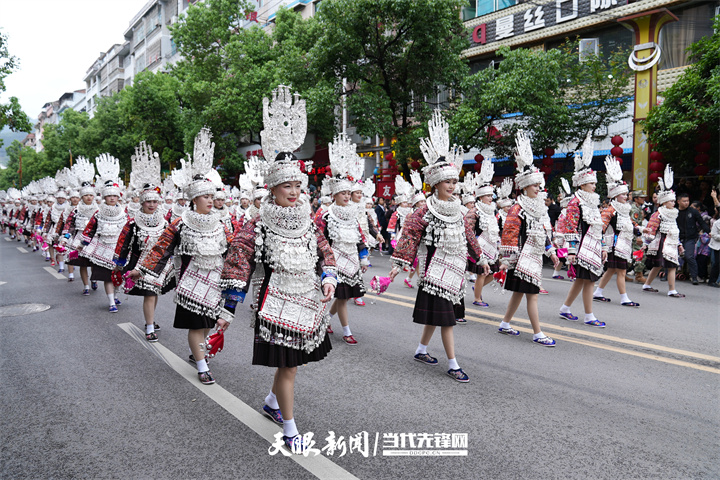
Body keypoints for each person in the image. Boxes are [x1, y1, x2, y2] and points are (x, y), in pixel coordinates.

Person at [219, 86, 337, 453]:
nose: (294, 192)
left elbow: (324, 251)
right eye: (286, 185)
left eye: (297, 186)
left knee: (293, 365)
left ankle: (272, 403)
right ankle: (289, 428)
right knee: (288, 366)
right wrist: (227, 311)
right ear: (271, 190)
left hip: (305, 298)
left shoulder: (308, 219)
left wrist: (329, 275)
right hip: (275, 304)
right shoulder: (257, 223)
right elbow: (239, 262)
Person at [390, 110, 484, 382]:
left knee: (439, 317)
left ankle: (421, 349)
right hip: (434, 273)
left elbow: (468, 235)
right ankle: (453, 364)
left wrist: (481, 258)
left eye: (455, 181)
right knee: (447, 320)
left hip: (455, 271)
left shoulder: (457, 208)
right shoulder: (424, 211)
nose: (453, 186)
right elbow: (409, 238)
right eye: (448, 181)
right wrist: (399, 265)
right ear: (434, 183)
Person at [136, 128, 233, 385]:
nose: (211, 201)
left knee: (207, 324)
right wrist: (142, 270)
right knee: (196, 325)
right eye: (205, 196)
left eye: (212, 196)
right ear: (193, 199)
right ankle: (202, 366)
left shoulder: (222, 223)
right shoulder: (180, 222)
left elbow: (233, 251)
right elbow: (161, 249)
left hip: (214, 282)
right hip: (190, 282)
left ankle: (197, 354)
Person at [497, 131, 559, 346]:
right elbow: (510, 235)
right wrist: (507, 261)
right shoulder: (517, 208)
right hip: (521, 259)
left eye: (539, 186)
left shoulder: (540, 207)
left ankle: (505, 323)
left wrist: (552, 252)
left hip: (535, 257)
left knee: (519, 293)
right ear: (524, 186)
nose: (538, 189)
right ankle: (537, 333)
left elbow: (545, 232)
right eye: (535, 186)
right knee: (531, 295)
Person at [115, 142, 175, 342]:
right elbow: (124, 243)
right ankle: (149, 327)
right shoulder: (133, 223)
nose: (151, 205)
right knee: (149, 293)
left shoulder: (165, 222)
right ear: (142, 202)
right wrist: (119, 264)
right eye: (148, 201)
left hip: (160, 264)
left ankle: (151, 320)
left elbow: (172, 243)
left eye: (154, 201)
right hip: (141, 262)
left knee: (153, 292)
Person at [316, 133, 369, 345]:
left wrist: (364, 256)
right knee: (343, 297)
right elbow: (320, 240)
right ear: (335, 194)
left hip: (352, 260)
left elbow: (359, 237)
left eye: (349, 193)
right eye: (343, 193)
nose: (347, 196)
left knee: (344, 296)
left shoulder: (353, 213)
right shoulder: (326, 215)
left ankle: (326, 318)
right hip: (334, 261)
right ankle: (346, 331)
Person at [556, 134, 607, 328]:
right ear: (582, 183)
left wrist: (602, 246)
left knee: (582, 280)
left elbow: (597, 226)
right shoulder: (575, 202)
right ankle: (589, 315)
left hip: (593, 245)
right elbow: (571, 228)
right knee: (588, 282)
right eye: (592, 183)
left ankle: (565, 308)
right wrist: (571, 251)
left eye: (594, 183)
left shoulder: (593, 202)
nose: (595, 186)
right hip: (582, 248)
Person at [79, 154, 128, 312]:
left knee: (117, 275)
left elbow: (128, 231)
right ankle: (111, 302)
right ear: (104, 197)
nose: (112, 198)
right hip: (103, 248)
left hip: (119, 249)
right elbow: (90, 229)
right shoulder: (98, 213)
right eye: (109, 196)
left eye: (115, 196)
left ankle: (116, 295)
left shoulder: (123, 213)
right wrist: (82, 245)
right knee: (107, 276)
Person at [592, 156, 639, 306]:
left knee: (612, 270)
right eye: (623, 194)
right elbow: (601, 226)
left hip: (624, 243)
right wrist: (601, 243)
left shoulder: (624, 209)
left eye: (626, 194)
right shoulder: (610, 210)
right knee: (621, 272)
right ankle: (624, 298)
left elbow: (629, 223)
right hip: (615, 245)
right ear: (614, 195)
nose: (626, 197)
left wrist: (639, 230)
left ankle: (598, 292)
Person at [641, 165, 685, 297]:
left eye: (673, 200)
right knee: (667, 266)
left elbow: (674, 230)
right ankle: (671, 290)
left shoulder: (673, 213)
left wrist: (679, 244)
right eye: (671, 201)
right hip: (662, 241)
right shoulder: (658, 213)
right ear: (664, 202)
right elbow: (651, 229)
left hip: (671, 241)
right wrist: (646, 243)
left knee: (667, 265)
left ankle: (648, 285)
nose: (673, 203)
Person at [470, 159, 502, 309]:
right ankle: (477, 297)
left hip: (492, 245)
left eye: (491, 195)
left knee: (492, 273)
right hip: (480, 246)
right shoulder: (475, 211)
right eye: (487, 195)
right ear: (480, 196)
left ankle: (477, 288)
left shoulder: (493, 210)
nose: (490, 198)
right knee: (482, 274)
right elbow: (469, 229)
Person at [677, 193, 710, 285]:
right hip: (676, 238)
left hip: (690, 238)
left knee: (689, 256)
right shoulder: (675, 212)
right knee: (670, 256)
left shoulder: (693, 212)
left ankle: (694, 277)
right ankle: (666, 275)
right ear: (678, 201)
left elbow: (702, 223)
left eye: (687, 201)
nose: (686, 203)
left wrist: (709, 232)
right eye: (684, 201)